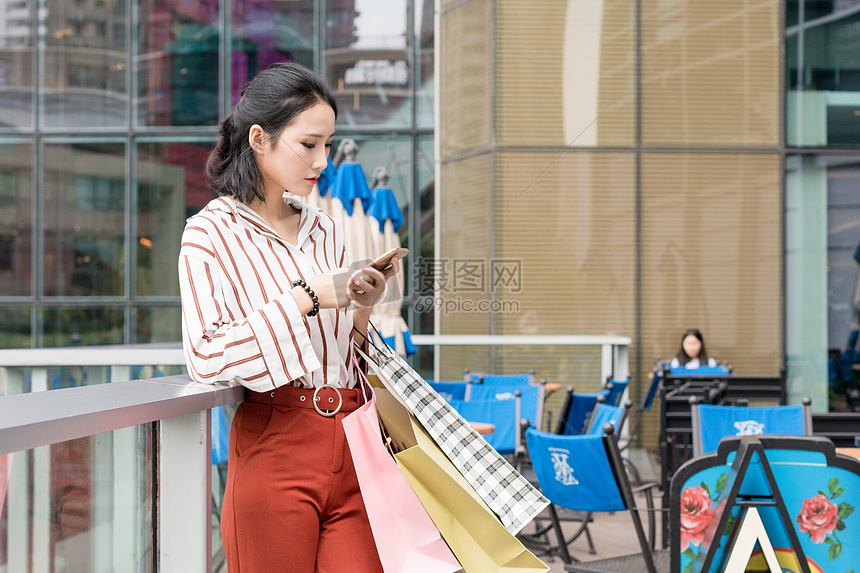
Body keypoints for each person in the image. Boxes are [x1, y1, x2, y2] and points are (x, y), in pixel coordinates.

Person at [178, 61, 398, 573]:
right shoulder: (209, 235)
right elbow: (206, 356)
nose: (322, 160)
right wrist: (305, 296)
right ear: (259, 137)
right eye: (309, 144)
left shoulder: (327, 229)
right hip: (275, 437)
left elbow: (347, 353)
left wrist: (362, 306)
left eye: (328, 144)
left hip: (353, 436)